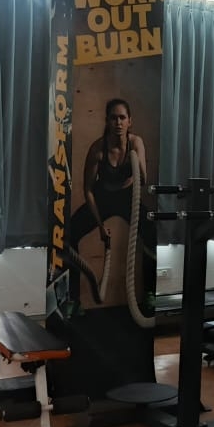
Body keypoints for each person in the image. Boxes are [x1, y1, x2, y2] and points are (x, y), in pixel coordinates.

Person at [67, 98, 155, 304]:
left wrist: (136, 158)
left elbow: (143, 180)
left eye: (122, 118)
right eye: (113, 118)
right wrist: (100, 225)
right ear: (107, 121)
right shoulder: (98, 149)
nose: (118, 123)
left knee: (153, 234)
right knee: (68, 235)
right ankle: (72, 299)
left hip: (128, 197)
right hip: (103, 197)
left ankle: (150, 293)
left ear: (130, 121)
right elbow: (88, 189)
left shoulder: (136, 143)